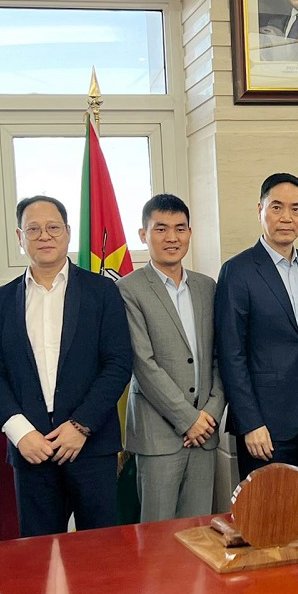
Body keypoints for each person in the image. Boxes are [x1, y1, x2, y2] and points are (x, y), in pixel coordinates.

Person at [0, 195, 131, 537]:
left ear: (67, 232)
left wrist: (81, 426)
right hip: (31, 449)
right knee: (39, 555)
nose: (44, 236)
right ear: (19, 237)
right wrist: (20, 432)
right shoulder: (0, 301)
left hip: (91, 446)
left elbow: (118, 363)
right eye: (33, 229)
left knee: (101, 552)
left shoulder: (102, 291)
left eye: (53, 227)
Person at [215, 173, 298, 501]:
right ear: (260, 210)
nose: (287, 217)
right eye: (277, 207)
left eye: (296, 208)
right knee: (267, 516)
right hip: (264, 427)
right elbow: (230, 354)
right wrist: (249, 422)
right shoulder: (237, 271)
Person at [116, 194, 225, 522]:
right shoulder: (128, 289)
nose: (171, 237)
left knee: (199, 532)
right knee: (157, 538)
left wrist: (210, 414)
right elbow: (143, 364)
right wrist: (188, 419)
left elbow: (221, 357)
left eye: (180, 228)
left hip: (205, 434)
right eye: (160, 229)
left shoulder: (207, 287)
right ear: (143, 234)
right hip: (158, 436)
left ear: (190, 233)